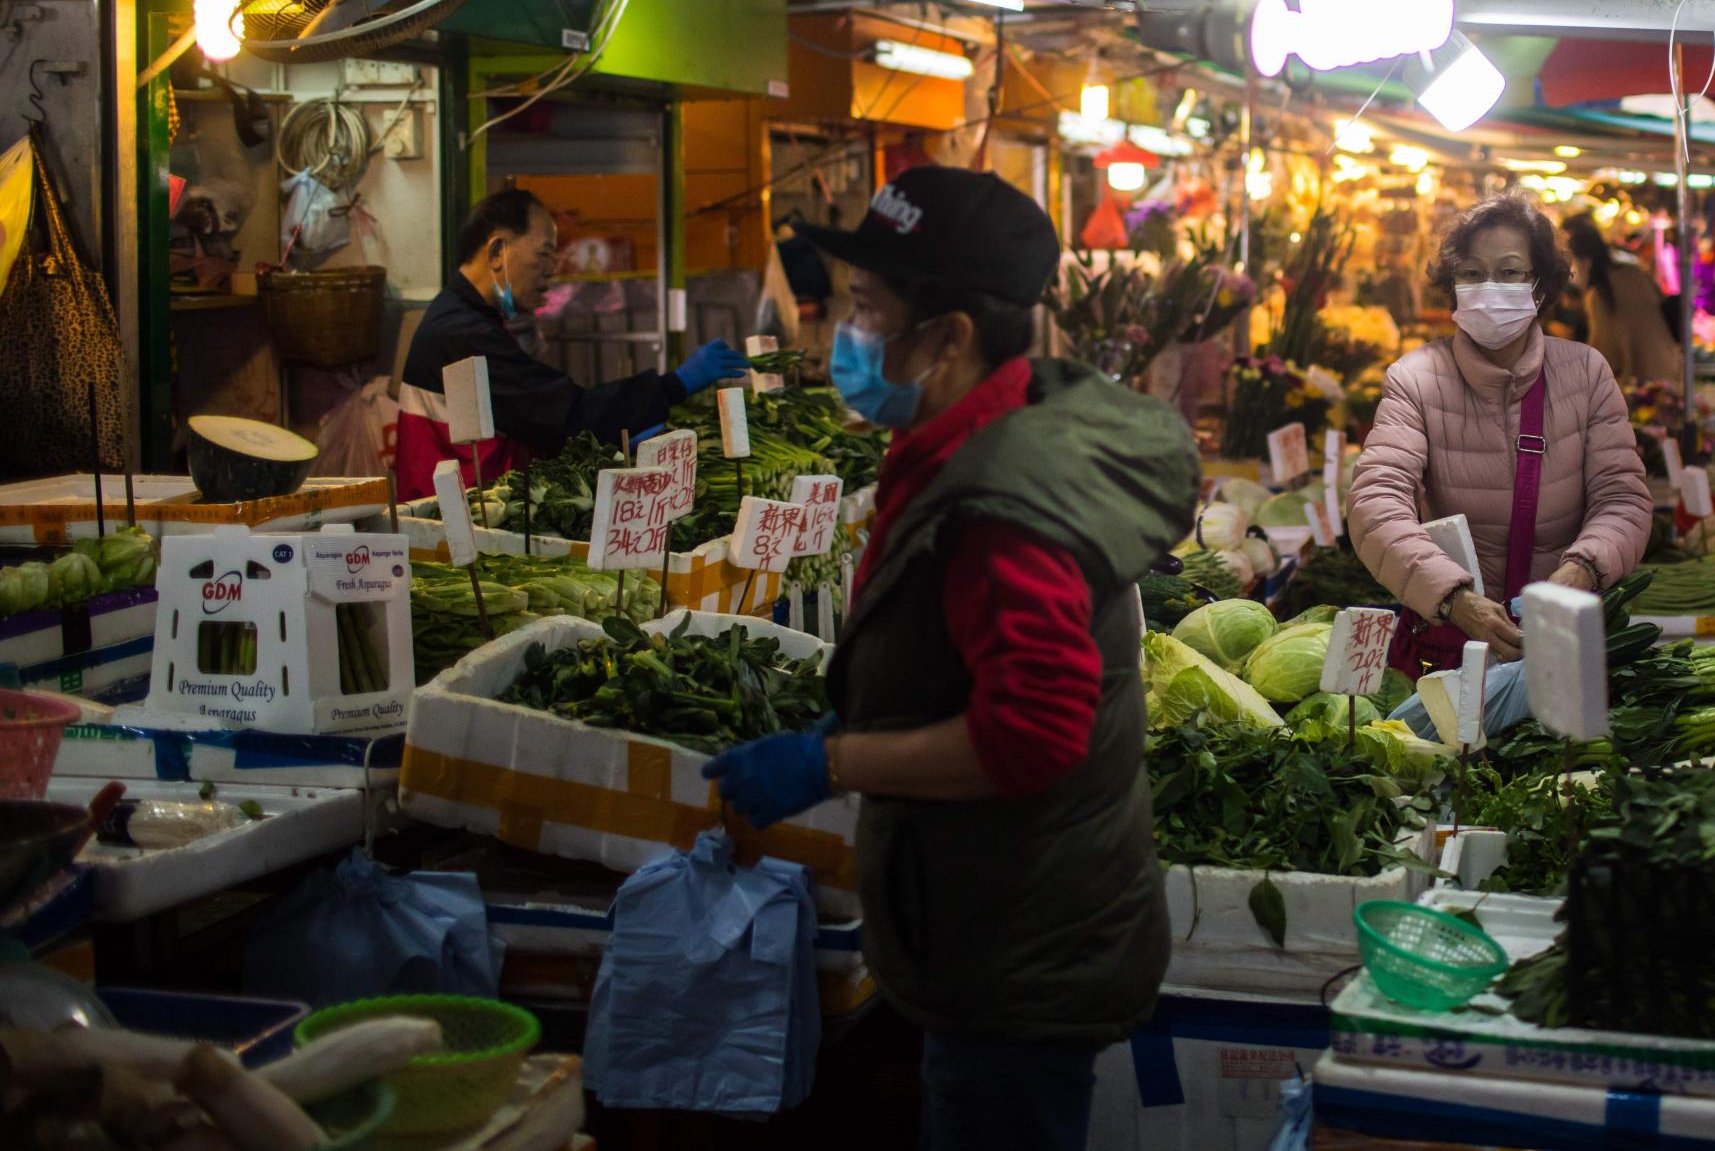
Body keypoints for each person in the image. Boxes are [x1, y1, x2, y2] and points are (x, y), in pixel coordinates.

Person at [700, 166, 1197, 1150]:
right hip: (1002, 918)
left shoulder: (1002, 501)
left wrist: (832, 761)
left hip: (1014, 949)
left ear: (950, 335)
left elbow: (1032, 733)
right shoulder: (981, 431)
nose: (850, 330)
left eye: (871, 307)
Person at [1351, 192, 1653, 674]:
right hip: (1454, 648)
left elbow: (1623, 497)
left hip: (1563, 642)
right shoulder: (1414, 379)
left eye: (1510, 272)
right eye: (1471, 273)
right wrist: (1454, 598)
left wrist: (1584, 566)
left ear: (1539, 285)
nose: (1489, 286)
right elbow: (1375, 504)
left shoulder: (1587, 372)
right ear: (1452, 285)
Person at [396, 188, 748, 500]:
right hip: (454, 525)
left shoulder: (465, 317)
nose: (552, 270)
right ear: (497, 251)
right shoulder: (464, 333)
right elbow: (567, 418)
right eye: (544, 254)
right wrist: (674, 384)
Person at [1564, 213, 1680, 386]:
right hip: (1671, 369)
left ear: (1585, 262)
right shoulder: (1634, 273)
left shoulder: (1599, 294)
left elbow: (1604, 352)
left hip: (1643, 384)